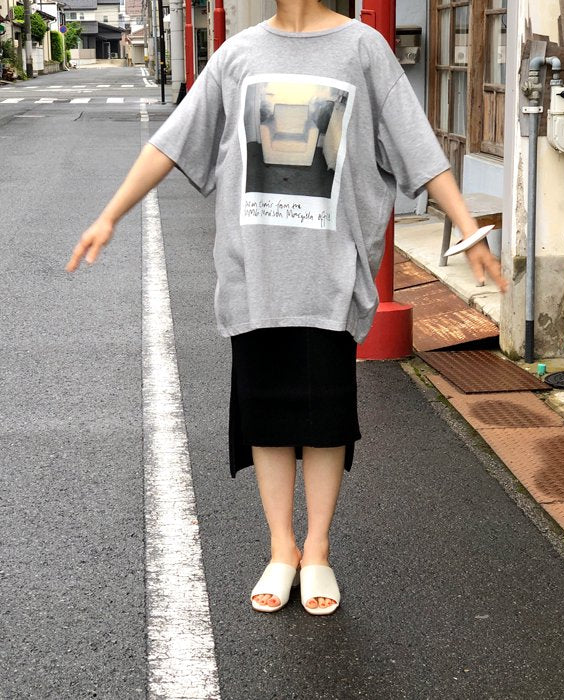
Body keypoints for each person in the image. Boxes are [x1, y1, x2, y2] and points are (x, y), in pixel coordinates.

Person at [66, 0, 507, 616]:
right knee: (267, 418)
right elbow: (171, 143)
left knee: (325, 420)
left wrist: (468, 227)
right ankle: (281, 547)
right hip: (256, 273)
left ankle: (317, 548)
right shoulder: (238, 55)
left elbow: (417, 144)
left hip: (330, 272)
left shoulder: (362, 50)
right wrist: (110, 214)